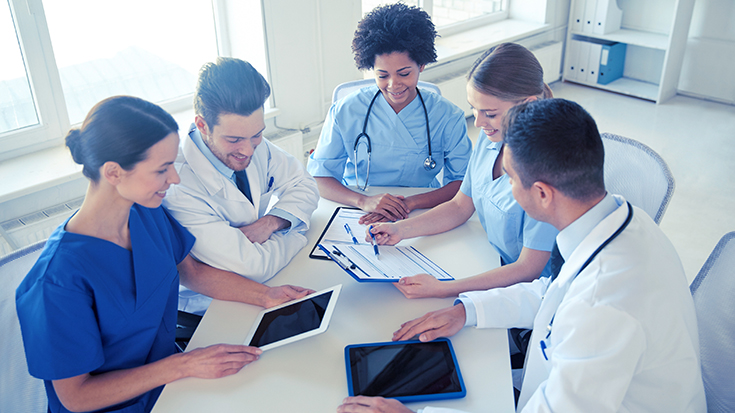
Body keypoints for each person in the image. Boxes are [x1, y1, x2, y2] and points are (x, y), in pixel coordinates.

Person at [338, 98, 706, 412]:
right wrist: (467, 310)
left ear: (543, 194)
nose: (505, 186)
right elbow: (556, 293)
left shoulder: (603, 309)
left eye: (510, 178)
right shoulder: (620, 218)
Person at [15, 96, 285, 413]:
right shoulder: (56, 281)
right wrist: (183, 365)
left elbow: (193, 272)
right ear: (114, 173)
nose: (175, 179)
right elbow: (76, 397)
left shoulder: (145, 213)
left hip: (169, 385)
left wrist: (267, 296)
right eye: (162, 170)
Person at [370, 43, 558, 299]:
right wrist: (402, 229)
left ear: (528, 103)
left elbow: (528, 270)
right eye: (474, 109)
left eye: (490, 113)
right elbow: (460, 206)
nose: (478, 122)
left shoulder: (549, 170)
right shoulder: (493, 135)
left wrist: (445, 289)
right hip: (487, 259)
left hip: (531, 292)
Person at [163, 58, 320, 314]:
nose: (248, 150)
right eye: (234, 139)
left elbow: (303, 183)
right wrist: (297, 232)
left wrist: (271, 222)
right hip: (214, 308)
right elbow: (251, 266)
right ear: (202, 125)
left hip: (273, 281)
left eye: (257, 134)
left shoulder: (250, 141)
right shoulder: (179, 186)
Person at [307, 3, 472, 224]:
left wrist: (409, 204)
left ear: (421, 65)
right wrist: (363, 201)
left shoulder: (447, 116)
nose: (394, 85)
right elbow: (319, 177)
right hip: (356, 207)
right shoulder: (347, 110)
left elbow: (463, 182)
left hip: (422, 209)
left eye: (404, 73)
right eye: (382, 75)